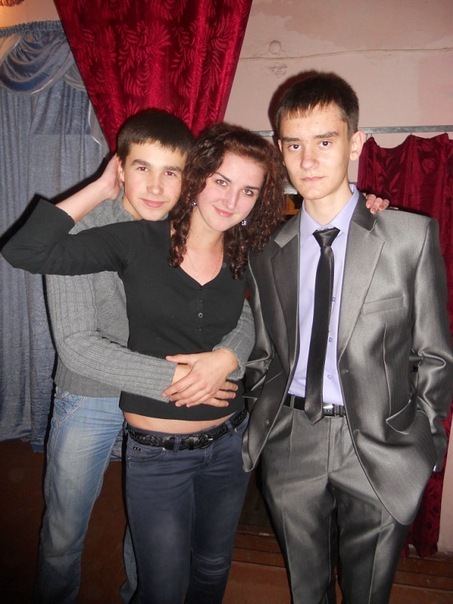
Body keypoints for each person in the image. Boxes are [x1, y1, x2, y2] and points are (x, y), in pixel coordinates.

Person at [2, 122, 287, 603]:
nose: (156, 187)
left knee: (152, 538)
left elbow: (233, 307)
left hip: (172, 407)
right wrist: (185, 378)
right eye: (142, 169)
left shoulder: (197, 224)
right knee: (66, 528)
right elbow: (77, 344)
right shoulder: (87, 226)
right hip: (93, 392)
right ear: (119, 168)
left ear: (188, 176)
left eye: (171, 172)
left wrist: (226, 357)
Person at [243, 71, 453, 603]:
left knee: (368, 593)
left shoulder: (408, 238)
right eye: (294, 144)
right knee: (305, 590)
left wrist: (426, 445)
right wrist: (263, 421)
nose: (308, 160)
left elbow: (435, 354)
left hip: (381, 446)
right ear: (280, 150)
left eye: (325, 141)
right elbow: (265, 353)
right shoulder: (267, 251)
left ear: (356, 143)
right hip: (292, 438)